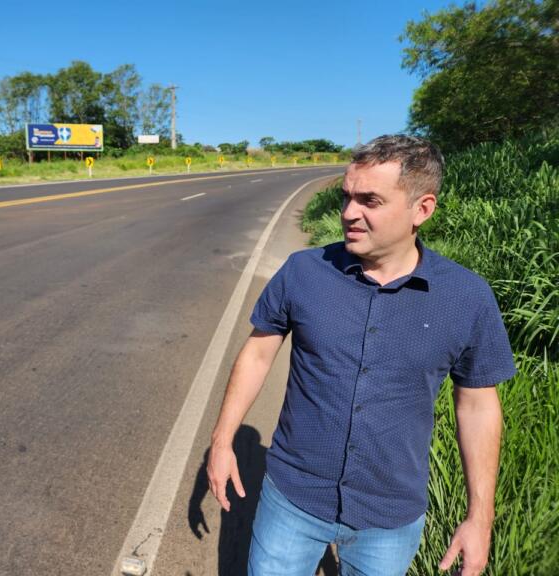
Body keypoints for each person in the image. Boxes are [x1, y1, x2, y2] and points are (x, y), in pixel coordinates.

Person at [206, 135, 516, 576]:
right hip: (293, 496)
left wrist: (479, 518)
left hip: (390, 517)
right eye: (347, 196)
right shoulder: (304, 271)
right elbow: (257, 354)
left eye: (370, 200)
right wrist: (222, 441)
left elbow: (479, 406)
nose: (349, 213)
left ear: (421, 209)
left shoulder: (466, 298)